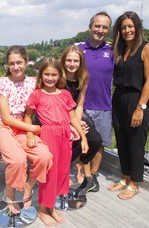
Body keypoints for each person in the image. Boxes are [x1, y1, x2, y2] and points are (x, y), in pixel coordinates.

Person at [24, 57, 88, 226]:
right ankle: (42, 209)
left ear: (60, 75)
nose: (50, 78)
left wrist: (83, 137)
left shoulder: (65, 94)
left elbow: (72, 117)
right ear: (41, 75)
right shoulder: (37, 94)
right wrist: (30, 135)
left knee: (61, 172)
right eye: (47, 74)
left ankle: (50, 207)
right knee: (50, 174)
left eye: (54, 74)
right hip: (48, 135)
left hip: (64, 136)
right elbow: (28, 117)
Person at [0, 45, 53, 214]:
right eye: (12, 63)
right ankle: (9, 193)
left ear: (26, 62)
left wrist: (69, 123)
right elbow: (6, 118)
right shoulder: (3, 83)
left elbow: (52, 96)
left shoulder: (32, 83)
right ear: (8, 65)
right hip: (3, 127)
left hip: (22, 128)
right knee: (17, 160)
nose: (16, 67)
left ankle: (28, 187)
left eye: (19, 62)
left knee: (44, 156)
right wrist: (32, 128)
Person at [108, 11, 149, 200]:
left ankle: (135, 183)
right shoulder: (120, 49)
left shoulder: (147, 48)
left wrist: (140, 108)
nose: (127, 30)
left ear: (137, 27)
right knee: (121, 140)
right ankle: (125, 177)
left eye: (130, 26)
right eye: (123, 27)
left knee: (136, 143)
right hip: (119, 98)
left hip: (137, 100)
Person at [76, 11, 115, 192]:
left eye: (104, 27)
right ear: (90, 26)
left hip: (104, 106)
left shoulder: (113, 51)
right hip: (80, 106)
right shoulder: (78, 49)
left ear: (108, 30)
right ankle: (85, 176)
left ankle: (94, 175)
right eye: (97, 26)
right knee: (82, 142)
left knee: (99, 144)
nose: (100, 30)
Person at [60, 45, 103, 195]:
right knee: (73, 141)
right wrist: (73, 126)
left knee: (96, 140)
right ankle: (61, 174)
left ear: (81, 62)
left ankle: (80, 163)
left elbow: (79, 105)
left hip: (73, 117)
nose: (72, 64)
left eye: (76, 61)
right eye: (69, 60)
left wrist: (76, 124)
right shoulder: (58, 77)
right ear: (63, 61)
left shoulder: (83, 77)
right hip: (57, 118)